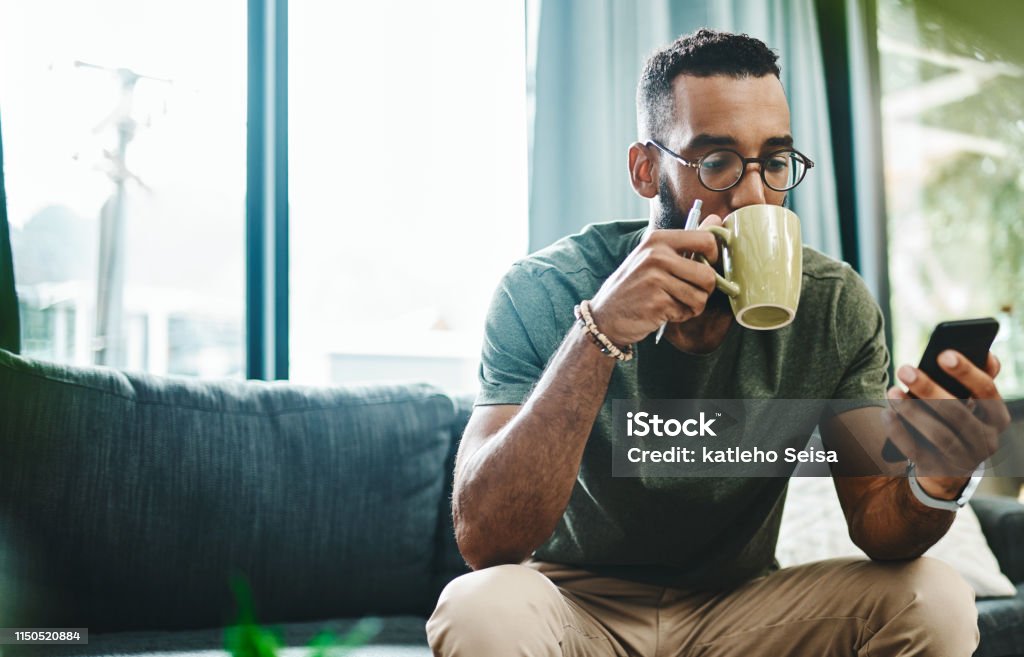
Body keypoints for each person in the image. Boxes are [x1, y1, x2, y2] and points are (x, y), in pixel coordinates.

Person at [426, 28, 1011, 656]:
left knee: (935, 598)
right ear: (647, 170)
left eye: (776, 162)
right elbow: (486, 541)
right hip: (575, 604)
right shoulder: (544, 290)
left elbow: (879, 521)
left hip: (743, 609)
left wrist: (940, 480)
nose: (753, 196)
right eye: (717, 162)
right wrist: (599, 331)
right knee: (477, 608)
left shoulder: (831, 303)